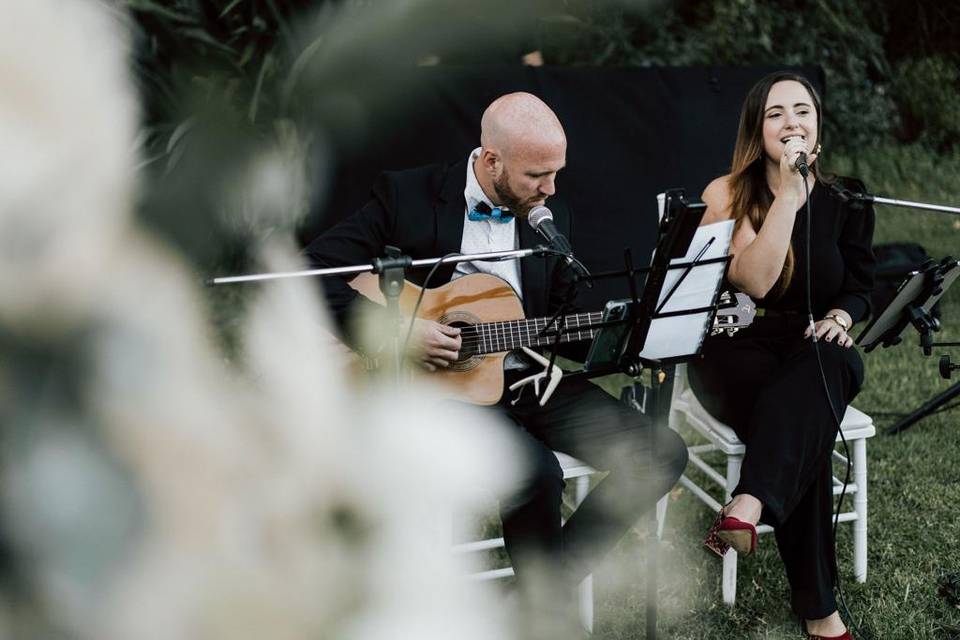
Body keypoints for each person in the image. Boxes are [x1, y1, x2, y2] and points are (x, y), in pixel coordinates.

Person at [305, 92, 688, 635]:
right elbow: (308, 272)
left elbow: (557, 321)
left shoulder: (549, 215)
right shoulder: (408, 195)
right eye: (537, 174)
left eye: (557, 173)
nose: (551, 189)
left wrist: (625, 332)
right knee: (536, 474)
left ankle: (531, 599)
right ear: (491, 161)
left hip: (526, 373)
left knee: (658, 452)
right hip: (440, 389)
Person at [689, 72, 875, 640]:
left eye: (803, 110)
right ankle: (821, 616)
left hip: (809, 349)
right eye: (776, 114)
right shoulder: (728, 193)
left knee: (836, 363)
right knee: (806, 429)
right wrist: (790, 199)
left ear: (818, 125)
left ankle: (749, 500)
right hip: (733, 347)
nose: (792, 122)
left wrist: (841, 317)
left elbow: (862, 285)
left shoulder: (849, 197)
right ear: (757, 128)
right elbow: (754, 283)